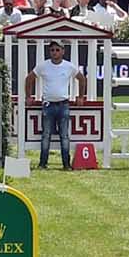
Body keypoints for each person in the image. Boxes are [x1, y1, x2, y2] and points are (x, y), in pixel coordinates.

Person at [25, 41, 82, 170]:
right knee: (46, 135)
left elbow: (82, 79)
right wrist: (29, 96)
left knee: (64, 136)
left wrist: (80, 96)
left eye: (57, 50)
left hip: (63, 105)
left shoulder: (69, 66)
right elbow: (29, 79)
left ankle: (66, 164)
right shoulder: (43, 66)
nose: (54, 52)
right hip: (48, 105)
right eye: (52, 50)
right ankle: (43, 163)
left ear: (63, 51)